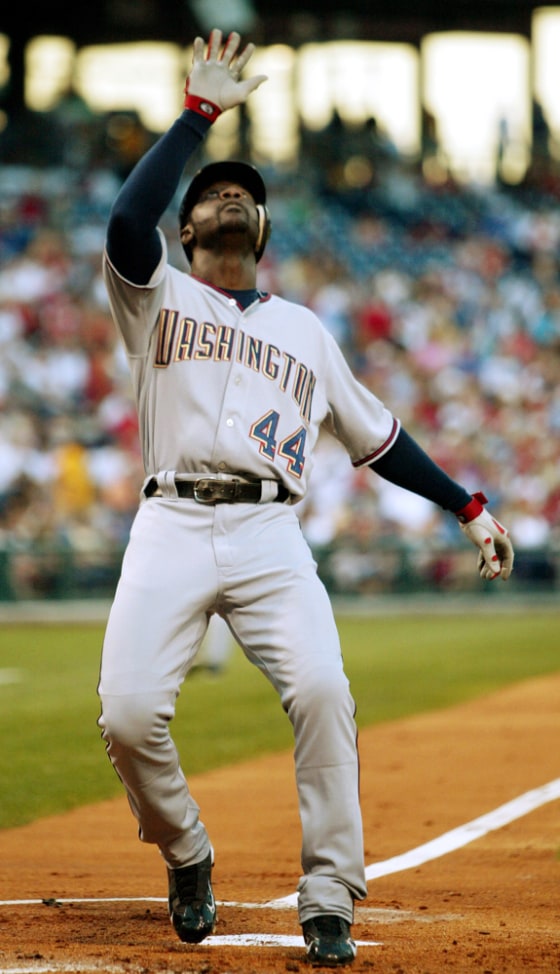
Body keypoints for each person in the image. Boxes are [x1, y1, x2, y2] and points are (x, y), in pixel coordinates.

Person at [97, 29, 514, 968]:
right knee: (126, 715)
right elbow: (127, 225)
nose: (227, 196)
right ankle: (187, 853)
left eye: (242, 192)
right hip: (170, 519)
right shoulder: (157, 295)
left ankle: (328, 895)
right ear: (189, 229)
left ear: (266, 230)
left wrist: (468, 505)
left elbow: (382, 438)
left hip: (268, 531)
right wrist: (196, 117)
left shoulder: (305, 330)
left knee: (324, 691)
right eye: (209, 195)